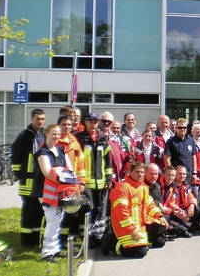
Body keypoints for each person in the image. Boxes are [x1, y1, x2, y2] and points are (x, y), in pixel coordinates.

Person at [108, 161, 167, 258]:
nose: (140, 174)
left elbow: (150, 205)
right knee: (141, 253)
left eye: (142, 172)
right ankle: (112, 244)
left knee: (160, 236)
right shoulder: (122, 188)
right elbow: (121, 212)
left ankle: (143, 243)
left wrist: (160, 216)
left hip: (140, 224)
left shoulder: (143, 187)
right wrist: (131, 229)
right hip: (125, 227)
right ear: (129, 172)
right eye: (137, 172)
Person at [35, 124, 72, 262]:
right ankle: (46, 252)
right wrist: (64, 179)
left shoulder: (61, 150)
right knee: (51, 220)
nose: (56, 137)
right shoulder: (42, 152)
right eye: (53, 134)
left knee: (58, 220)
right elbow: (47, 172)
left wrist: (69, 179)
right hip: (46, 192)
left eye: (58, 134)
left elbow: (69, 168)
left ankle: (55, 249)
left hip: (60, 191)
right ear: (46, 134)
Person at [75, 112, 113, 244]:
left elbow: (108, 161)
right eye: (91, 121)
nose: (93, 124)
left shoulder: (103, 138)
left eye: (95, 122)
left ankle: (98, 236)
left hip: (102, 182)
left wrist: (109, 178)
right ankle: (86, 238)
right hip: (86, 183)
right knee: (87, 210)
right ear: (85, 122)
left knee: (100, 209)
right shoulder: (79, 139)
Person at [12, 109, 45, 247]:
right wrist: (20, 175)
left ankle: (35, 238)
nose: (40, 122)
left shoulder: (42, 135)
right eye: (38, 119)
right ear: (32, 119)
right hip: (28, 182)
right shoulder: (25, 135)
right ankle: (26, 240)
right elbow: (15, 155)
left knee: (38, 211)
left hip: (39, 182)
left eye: (43, 119)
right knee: (28, 212)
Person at [164, 118, 197, 185]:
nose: (182, 129)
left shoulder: (190, 140)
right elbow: (166, 159)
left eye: (184, 127)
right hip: (176, 176)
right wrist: (171, 174)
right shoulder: (171, 141)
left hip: (188, 175)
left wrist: (194, 173)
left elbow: (194, 157)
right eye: (180, 127)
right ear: (176, 128)